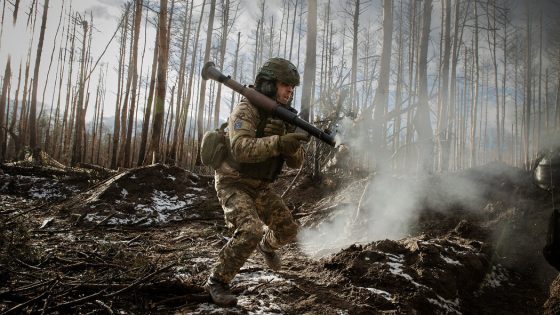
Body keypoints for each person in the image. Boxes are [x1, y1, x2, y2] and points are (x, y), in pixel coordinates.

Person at [204, 57, 309, 307]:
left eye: (292, 87)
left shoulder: (285, 117)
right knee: (249, 229)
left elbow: (296, 163)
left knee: (287, 230)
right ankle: (217, 281)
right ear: (270, 84)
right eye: (285, 85)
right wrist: (277, 143)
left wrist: (289, 144)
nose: (289, 91)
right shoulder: (246, 110)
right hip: (233, 182)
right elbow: (240, 149)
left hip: (260, 186)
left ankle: (266, 246)